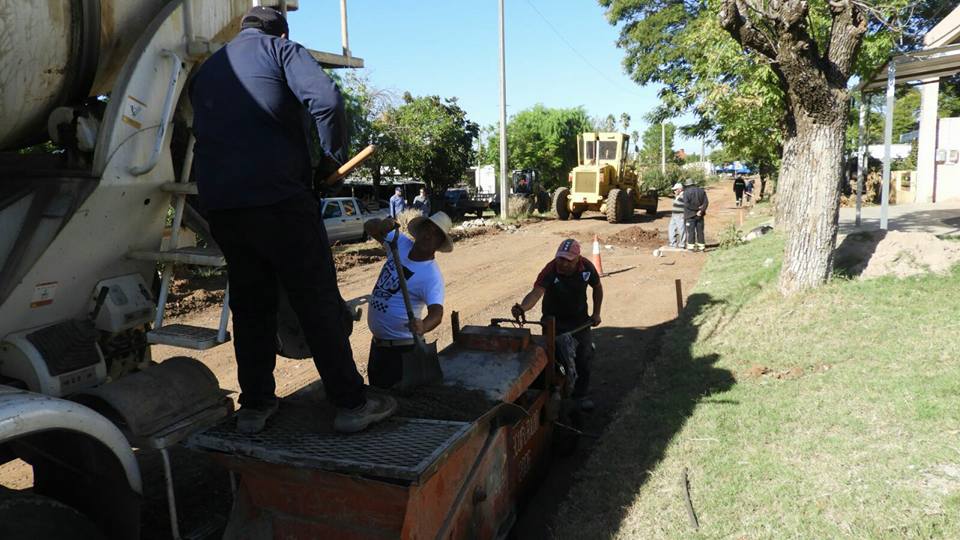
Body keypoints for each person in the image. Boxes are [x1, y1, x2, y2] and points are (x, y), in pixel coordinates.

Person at [190, 6, 395, 434]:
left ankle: (255, 407)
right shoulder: (281, 51)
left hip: (224, 209)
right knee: (315, 299)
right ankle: (351, 404)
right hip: (281, 202)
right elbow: (327, 101)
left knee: (251, 307)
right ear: (280, 33)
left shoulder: (208, 71)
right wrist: (330, 158)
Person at [363, 212, 453, 388]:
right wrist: (383, 225)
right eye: (426, 229)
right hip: (378, 347)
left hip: (403, 353)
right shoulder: (400, 243)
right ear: (418, 231)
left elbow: (437, 313)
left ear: (439, 243)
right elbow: (369, 226)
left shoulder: (431, 275)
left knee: (397, 403)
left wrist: (424, 326)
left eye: (435, 234)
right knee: (378, 394)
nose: (428, 235)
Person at [511, 239, 602, 411]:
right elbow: (536, 293)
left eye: (568, 260)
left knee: (583, 358)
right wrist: (523, 308)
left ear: (577, 259)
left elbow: (597, 287)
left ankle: (580, 396)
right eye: (560, 259)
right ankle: (554, 394)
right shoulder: (550, 270)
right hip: (553, 323)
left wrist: (596, 313)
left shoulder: (587, 268)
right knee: (551, 360)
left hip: (580, 322)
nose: (563, 263)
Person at [683, 179, 709, 252]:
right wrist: (700, 211)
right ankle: (702, 247)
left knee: (691, 232)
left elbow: (686, 204)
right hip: (700, 215)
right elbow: (706, 202)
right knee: (700, 231)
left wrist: (696, 209)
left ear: (687, 185)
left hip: (690, 215)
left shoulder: (686, 192)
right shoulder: (702, 191)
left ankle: (691, 248)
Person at [668, 182, 686, 248]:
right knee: (671, 228)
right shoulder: (678, 196)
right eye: (674, 190)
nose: (674, 191)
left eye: (675, 190)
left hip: (680, 215)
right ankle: (673, 243)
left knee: (681, 229)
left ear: (680, 189)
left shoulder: (684, 195)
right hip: (674, 214)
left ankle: (682, 244)